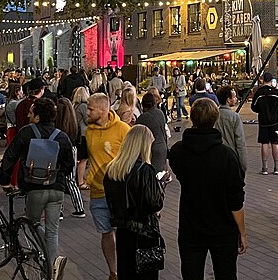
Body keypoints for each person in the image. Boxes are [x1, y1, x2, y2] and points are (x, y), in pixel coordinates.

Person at [169, 99, 247, 280]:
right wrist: (242, 232)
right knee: (226, 274)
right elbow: (236, 201)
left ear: (192, 118)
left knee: (191, 274)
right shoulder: (227, 156)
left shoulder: (178, 151)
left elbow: (178, 170)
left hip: (191, 227)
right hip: (223, 228)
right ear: (215, 119)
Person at [0, 97, 75, 280]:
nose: (28, 115)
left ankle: (47, 260)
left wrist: (4, 180)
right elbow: (69, 165)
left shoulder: (26, 133)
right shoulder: (62, 136)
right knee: (53, 229)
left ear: (38, 116)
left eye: (31, 113)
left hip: (34, 188)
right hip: (57, 188)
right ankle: (52, 266)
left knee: (32, 222)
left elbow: (10, 156)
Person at [103, 125, 165, 280]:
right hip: (144, 231)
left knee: (126, 271)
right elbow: (154, 203)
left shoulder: (113, 169)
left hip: (123, 230)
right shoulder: (145, 170)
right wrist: (160, 186)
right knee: (146, 273)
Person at [86, 93, 131, 280]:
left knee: (124, 234)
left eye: (90, 109)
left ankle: (126, 269)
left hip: (119, 192)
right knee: (106, 233)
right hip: (97, 192)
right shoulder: (89, 131)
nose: (87, 112)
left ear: (103, 110)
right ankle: (114, 272)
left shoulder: (123, 129)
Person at [54, 96, 87, 218]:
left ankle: (59, 210)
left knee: (58, 180)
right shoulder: (74, 124)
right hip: (72, 150)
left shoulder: (56, 124)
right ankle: (79, 208)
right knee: (71, 180)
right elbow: (78, 140)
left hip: (57, 149)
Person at [251, 71, 278, 175]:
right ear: (271, 80)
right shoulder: (275, 92)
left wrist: (260, 110)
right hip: (275, 121)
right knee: (275, 143)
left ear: (263, 80)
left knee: (264, 143)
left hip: (263, 121)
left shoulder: (259, 92)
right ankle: (276, 167)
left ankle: (264, 167)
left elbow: (253, 107)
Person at [215, 85, 247, 175]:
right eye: (234, 97)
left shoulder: (214, 115)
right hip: (231, 156)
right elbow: (240, 142)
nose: (236, 99)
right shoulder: (234, 117)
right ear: (228, 100)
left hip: (216, 155)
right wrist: (243, 165)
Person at [136, 93, 169, 174]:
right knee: (160, 174)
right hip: (162, 146)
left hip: (151, 149)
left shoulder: (143, 118)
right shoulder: (160, 113)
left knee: (152, 174)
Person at [72, 87, 90, 188]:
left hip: (77, 134)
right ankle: (81, 181)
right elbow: (87, 121)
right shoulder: (83, 106)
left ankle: (79, 179)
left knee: (79, 159)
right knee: (83, 159)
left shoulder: (75, 105)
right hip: (83, 134)